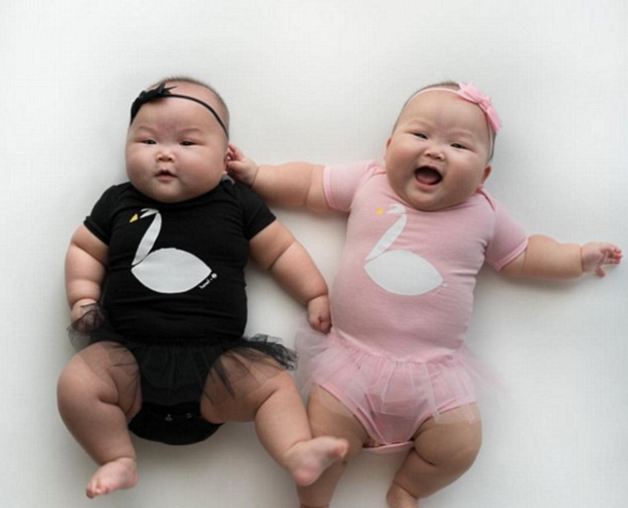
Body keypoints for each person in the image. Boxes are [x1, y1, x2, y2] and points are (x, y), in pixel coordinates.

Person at [226, 81, 622, 508]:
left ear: (483, 176)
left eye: (458, 145)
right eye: (420, 134)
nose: (436, 150)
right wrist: (259, 176)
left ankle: (409, 488)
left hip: (436, 377)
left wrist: (576, 258)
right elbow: (309, 184)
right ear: (389, 147)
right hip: (351, 366)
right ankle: (314, 502)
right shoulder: (370, 182)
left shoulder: (484, 214)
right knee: (324, 438)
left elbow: (524, 254)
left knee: (460, 445)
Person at [57, 76, 348, 499]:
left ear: (225, 157)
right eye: (147, 141)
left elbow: (280, 251)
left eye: (187, 143)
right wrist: (82, 296)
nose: (164, 154)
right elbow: (85, 248)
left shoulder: (237, 203)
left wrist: (314, 293)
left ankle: (294, 450)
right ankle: (116, 456)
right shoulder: (118, 202)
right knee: (77, 383)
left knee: (273, 385)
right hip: (127, 362)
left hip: (217, 368)